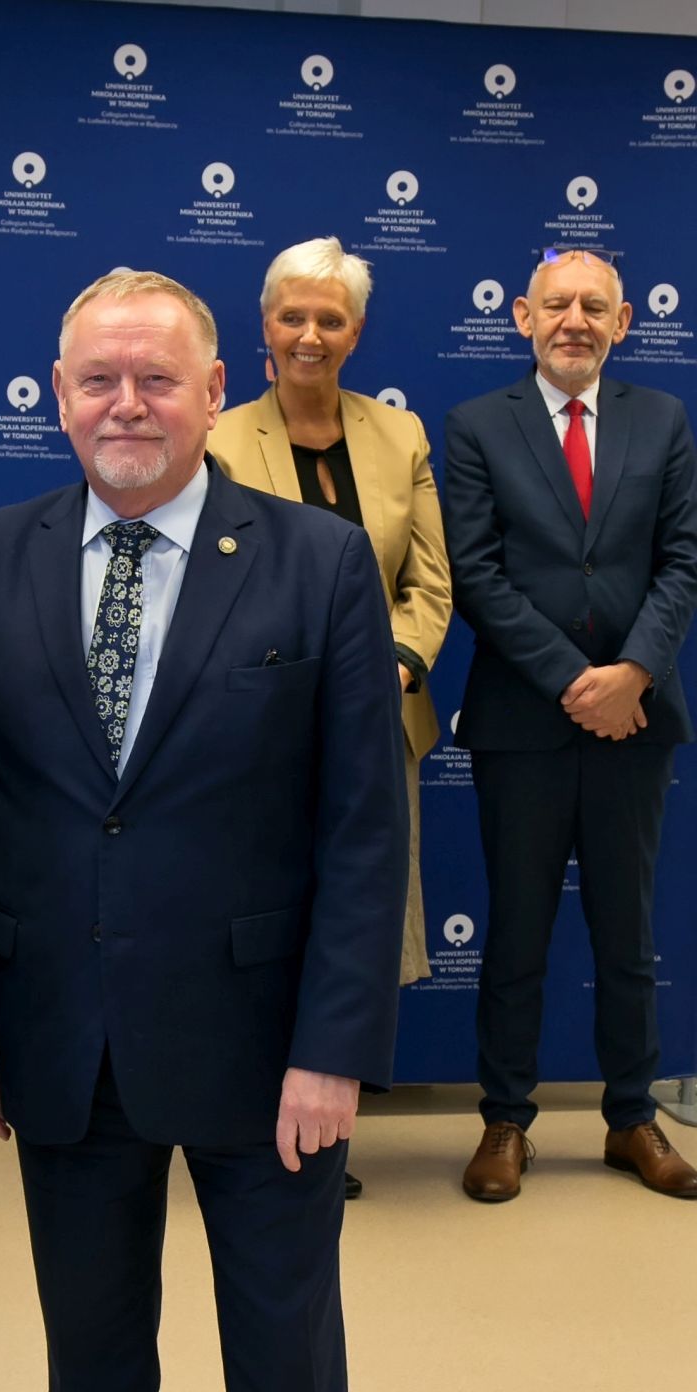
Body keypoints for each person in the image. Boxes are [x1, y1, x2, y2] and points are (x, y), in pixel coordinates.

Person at [0, 270, 407, 1392]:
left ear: (216, 391)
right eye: (97, 378)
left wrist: (334, 1046)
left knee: (287, 1384)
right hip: (63, 1045)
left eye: (157, 378)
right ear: (55, 391)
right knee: (95, 1385)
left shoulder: (318, 561)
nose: (125, 404)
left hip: (272, 1058)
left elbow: (363, 823)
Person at [443, 249, 697, 1203]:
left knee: (628, 934)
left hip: (638, 719)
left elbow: (683, 560)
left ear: (622, 323)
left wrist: (632, 675)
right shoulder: (477, 425)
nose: (574, 321)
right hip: (524, 722)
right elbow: (476, 574)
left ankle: (631, 1118)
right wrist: (575, 682)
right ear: (524, 316)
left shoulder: (663, 419)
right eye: (557, 305)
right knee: (516, 932)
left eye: (595, 306)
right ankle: (505, 1120)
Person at [209, 236, 452, 1199]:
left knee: (356, 921)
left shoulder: (401, 435)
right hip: (259, 728)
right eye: (293, 316)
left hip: (380, 722)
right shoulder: (221, 440)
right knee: (265, 922)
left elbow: (430, 583)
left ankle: (324, 1119)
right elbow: (212, 588)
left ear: (356, 332)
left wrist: (393, 665)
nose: (310, 335)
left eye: (331, 319)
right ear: (265, 325)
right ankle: (259, 1120)